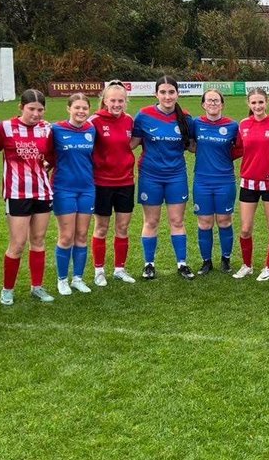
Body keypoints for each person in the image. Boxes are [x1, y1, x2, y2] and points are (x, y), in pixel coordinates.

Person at [0, 89, 55, 304]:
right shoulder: (5, 128)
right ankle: (7, 289)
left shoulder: (48, 129)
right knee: (18, 243)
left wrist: (50, 163)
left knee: (38, 240)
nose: (36, 114)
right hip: (17, 192)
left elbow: (54, 154)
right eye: (31, 109)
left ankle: (37, 287)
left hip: (42, 191)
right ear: (21, 107)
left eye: (40, 110)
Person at [133, 77, 194, 280]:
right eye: (163, 92)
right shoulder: (144, 116)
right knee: (151, 221)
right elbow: (130, 143)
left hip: (176, 175)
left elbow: (194, 146)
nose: (167, 96)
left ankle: (182, 264)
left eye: (171, 92)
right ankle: (149, 264)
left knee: (177, 220)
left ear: (178, 94)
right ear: (156, 94)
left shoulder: (185, 118)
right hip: (150, 175)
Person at [235, 88, 269, 281]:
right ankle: (247, 265)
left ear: (267, 102)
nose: (257, 106)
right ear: (248, 104)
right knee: (245, 228)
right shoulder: (243, 125)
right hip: (248, 182)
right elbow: (238, 149)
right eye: (254, 103)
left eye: (261, 102)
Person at [90, 81, 137, 287]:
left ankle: (119, 268)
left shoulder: (129, 121)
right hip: (102, 182)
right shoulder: (94, 121)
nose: (117, 104)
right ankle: (99, 270)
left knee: (123, 227)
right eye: (113, 100)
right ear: (105, 101)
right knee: (101, 227)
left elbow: (132, 144)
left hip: (125, 181)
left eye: (121, 101)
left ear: (126, 102)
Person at [51, 93, 97, 296]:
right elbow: (46, 155)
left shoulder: (91, 130)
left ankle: (77, 278)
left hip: (87, 188)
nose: (81, 112)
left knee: (81, 235)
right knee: (66, 236)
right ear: (68, 108)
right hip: (63, 189)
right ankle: (62, 279)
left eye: (84, 108)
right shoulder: (56, 129)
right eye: (77, 107)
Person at [191, 88, 242, 275]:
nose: (212, 103)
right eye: (209, 100)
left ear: (222, 104)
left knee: (224, 220)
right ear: (203, 104)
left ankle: (226, 259)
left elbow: (240, 148)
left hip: (225, 180)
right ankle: (206, 261)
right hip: (202, 181)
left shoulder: (232, 126)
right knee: (204, 222)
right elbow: (190, 143)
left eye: (216, 100)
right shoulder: (196, 123)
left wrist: (224, 159)